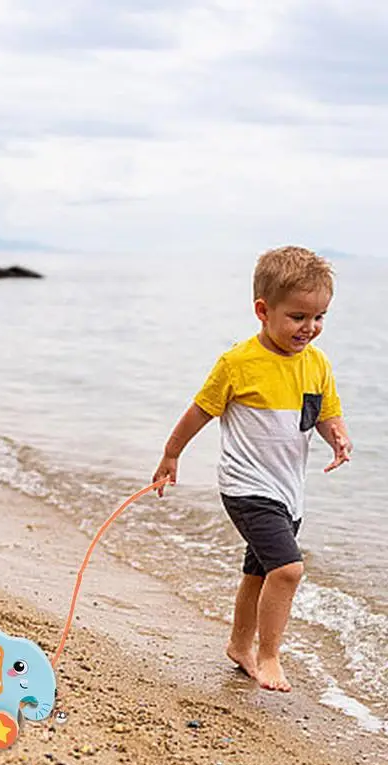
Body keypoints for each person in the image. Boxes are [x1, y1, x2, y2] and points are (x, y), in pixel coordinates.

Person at [152, 246, 352, 692]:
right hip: (246, 487)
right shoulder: (237, 364)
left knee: (259, 572)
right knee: (288, 570)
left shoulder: (317, 364)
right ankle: (269, 655)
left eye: (319, 317)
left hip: (287, 490)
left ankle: (239, 645)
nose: (310, 328)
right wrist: (171, 455)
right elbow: (198, 413)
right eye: (298, 317)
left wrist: (337, 435)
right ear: (263, 311)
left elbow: (322, 413)